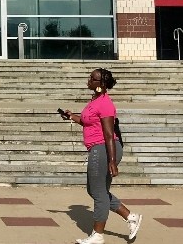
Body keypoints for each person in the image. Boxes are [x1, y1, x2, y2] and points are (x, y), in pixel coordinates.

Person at [59, 68, 142, 244]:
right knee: (96, 190)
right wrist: (71, 116)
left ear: (101, 85)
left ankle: (98, 235)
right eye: (90, 76)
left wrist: (112, 161)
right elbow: (87, 121)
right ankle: (131, 217)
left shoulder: (105, 104)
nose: (89, 80)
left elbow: (108, 133)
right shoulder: (95, 100)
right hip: (100, 148)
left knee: (98, 193)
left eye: (93, 78)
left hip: (103, 148)